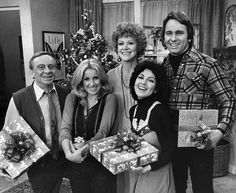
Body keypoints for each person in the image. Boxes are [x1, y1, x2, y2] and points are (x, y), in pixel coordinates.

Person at [160, 11, 236, 193]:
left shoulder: (207, 64)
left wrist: (220, 130)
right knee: (175, 187)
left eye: (179, 33)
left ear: (189, 36)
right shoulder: (163, 65)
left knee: (202, 188)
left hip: (198, 136)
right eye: (169, 33)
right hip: (170, 137)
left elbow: (229, 99)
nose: (173, 38)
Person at [1, 51, 69, 193]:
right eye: (41, 67)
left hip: (66, 156)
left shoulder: (65, 93)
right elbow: (9, 135)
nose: (47, 71)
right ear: (32, 72)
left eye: (51, 66)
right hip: (40, 163)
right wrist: (7, 166)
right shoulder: (19, 98)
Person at [59, 58, 118, 193]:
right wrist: (69, 154)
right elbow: (65, 129)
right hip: (76, 164)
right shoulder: (72, 98)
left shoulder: (110, 99)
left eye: (95, 78)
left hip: (100, 164)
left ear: (101, 79)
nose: (92, 83)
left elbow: (103, 132)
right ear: (81, 81)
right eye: (86, 79)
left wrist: (83, 150)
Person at [107, 21, 147, 193]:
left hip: (144, 133)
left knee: (141, 180)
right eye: (121, 43)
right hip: (118, 135)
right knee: (121, 184)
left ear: (139, 46)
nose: (125, 47)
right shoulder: (110, 75)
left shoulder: (147, 73)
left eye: (130, 43)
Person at [128, 60, 176, 193]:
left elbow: (170, 150)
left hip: (157, 173)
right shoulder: (133, 110)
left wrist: (148, 167)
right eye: (140, 77)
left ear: (156, 88)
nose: (143, 83)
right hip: (138, 173)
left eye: (150, 80)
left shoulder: (159, 111)